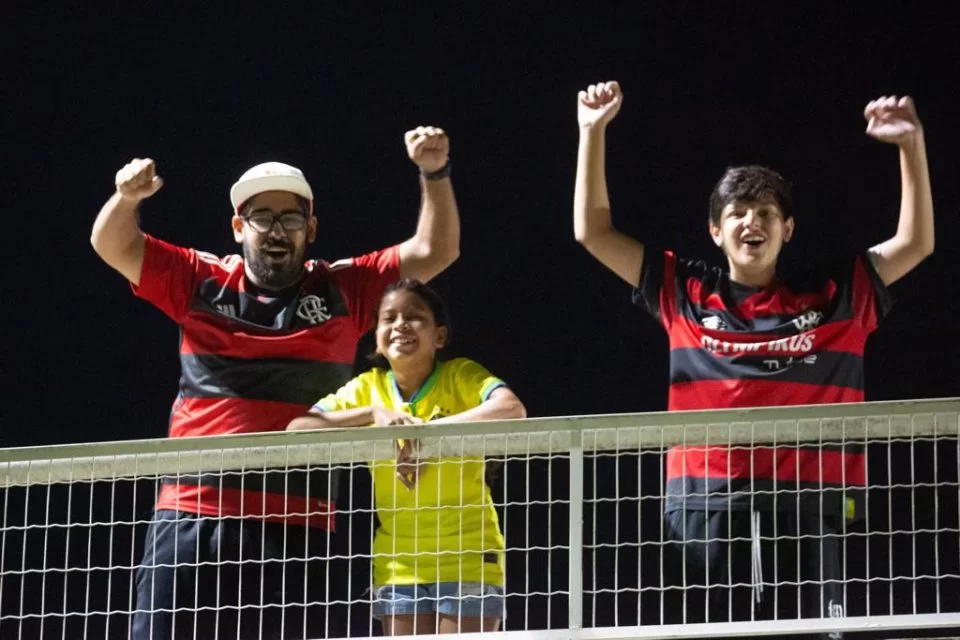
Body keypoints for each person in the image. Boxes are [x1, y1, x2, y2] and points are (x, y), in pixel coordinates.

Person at [573, 82, 933, 636]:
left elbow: (915, 243)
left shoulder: (838, 292)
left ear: (787, 229)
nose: (752, 222)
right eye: (737, 212)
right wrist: (591, 131)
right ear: (717, 231)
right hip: (705, 505)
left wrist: (911, 146)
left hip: (810, 506)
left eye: (765, 211)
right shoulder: (684, 291)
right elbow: (592, 232)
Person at [90, 126, 460, 639]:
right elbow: (111, 244)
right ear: (239, 226)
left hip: (298, 526)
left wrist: (433, 172)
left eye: (290, 217)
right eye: (262, 217)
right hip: (196, 515)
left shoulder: (343, 288)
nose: (276, 229)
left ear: (311, 228)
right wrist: (126, 197)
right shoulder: (201, 280)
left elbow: (436, 249)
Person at [287, 278, 526, 636]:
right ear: (378, 338)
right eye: (389, 318)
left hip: (470, 556)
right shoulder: (368, 388)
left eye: (415, 317)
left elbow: (511, 409)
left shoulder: (460, 375)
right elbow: (298, 429)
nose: (400, 324)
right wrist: (373, 414)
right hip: (398, 563)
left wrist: (425, 436)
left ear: (439, 336)